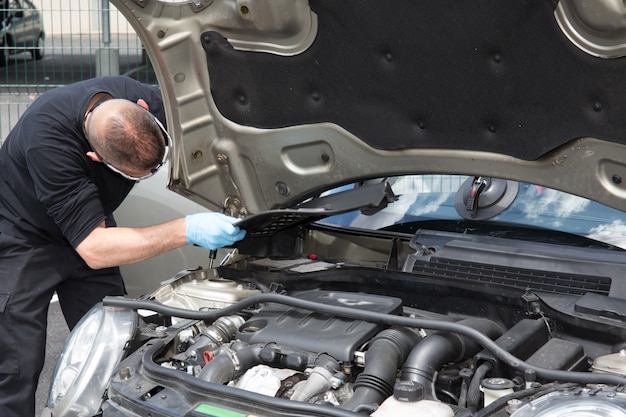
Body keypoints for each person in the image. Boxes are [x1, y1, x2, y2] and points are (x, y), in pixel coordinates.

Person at [0, 75, 246, 417]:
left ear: (143, 110)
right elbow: (96, 250)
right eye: (142, 174)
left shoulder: (143, 100)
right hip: (26, 235)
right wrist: (186, 228)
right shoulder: (48, 142)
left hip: (90, 221)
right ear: (95, 158)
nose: (155, 172)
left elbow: (220, 115)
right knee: (16, 362)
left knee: (117, 343)